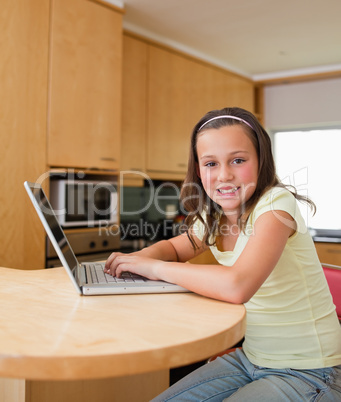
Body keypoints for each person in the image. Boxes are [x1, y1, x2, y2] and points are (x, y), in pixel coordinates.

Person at [105, 107, 341, 401]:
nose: (224, 175)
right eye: (211, 163)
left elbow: (237, 284)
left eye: (238, 160)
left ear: (261, 161)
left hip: (311, 369)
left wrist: (153, 268)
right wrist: (138, 260)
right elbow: (175, 249)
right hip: (251, 358)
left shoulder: (276, 205)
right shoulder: (214, 213)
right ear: (198, 169)